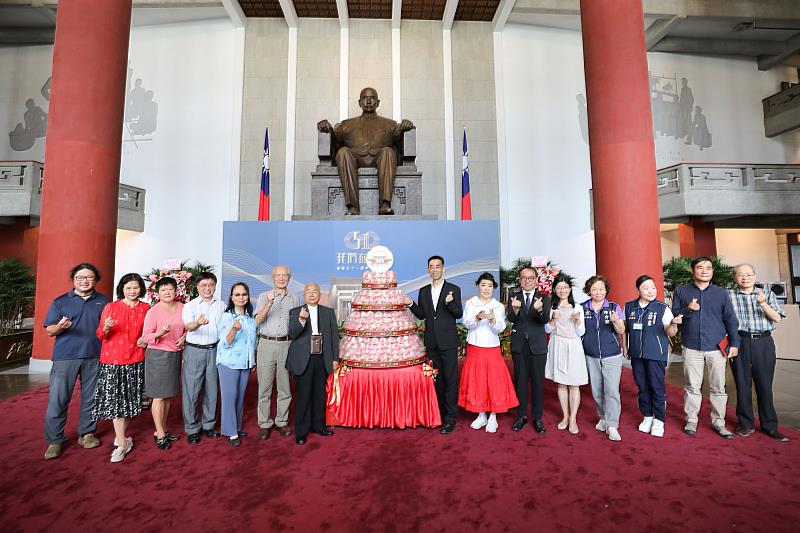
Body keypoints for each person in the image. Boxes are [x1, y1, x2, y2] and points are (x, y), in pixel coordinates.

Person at [42, 263, 111, 460]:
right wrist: (61, 326)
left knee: (91, 397)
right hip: (66, 357)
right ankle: (55, 441)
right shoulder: (61, 302)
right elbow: (50, 331)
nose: (85, 281)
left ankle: (87, 434)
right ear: (74, 280)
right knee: (58, 399)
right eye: (80, 277)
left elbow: (109, 330)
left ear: (95, 280)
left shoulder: (105, 302)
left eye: (89, 277)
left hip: (96, 355)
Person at [317, 87, 414, 215]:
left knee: (388, 151)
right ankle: (352, 207)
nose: (368, 101)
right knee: (343, 152)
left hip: (381, 159)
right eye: (365, 98)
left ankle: (385, 204)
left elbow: (400, 134)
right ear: (359, 103)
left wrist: (406, 125)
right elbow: (334, 139)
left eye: (372, 98)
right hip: (354, 159)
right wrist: (327, 128)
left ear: (378, 103)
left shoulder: (390, 124)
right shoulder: (347, 124)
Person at [672, 256, 740, 439]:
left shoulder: (721, 293)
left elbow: (730, 320)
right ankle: (691, 420)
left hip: (716, 347)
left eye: (708, 268)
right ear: (693, 270)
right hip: (691, 345)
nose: (704, 271)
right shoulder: (681, 291)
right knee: (692, 386)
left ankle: (719, 422)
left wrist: (735, 344)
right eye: (700, 267)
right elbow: (675, 316)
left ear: (712, 271)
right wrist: (688, 310)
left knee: (718, 387)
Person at [92, 273, 150, 463]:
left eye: (136, 288)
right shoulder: (112, 307)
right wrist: (107, 328)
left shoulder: (146, 308)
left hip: (136, 359)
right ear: (122, 289)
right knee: (117, 402)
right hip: (113, 361)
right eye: (128, 288)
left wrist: (146, 340)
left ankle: (122, 436)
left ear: (141, 288)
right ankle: (122, 444)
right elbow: (100, 334)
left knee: (130, 401)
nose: (133, 291)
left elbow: (149, 333)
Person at [728, 264, 789, 441]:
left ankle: (770, 426)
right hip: (739, 341)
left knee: (764, 385)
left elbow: (777, 317)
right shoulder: (728, 295)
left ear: (755, 276)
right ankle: (745, 424)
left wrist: (763, 304)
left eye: (748, 274)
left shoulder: (768, 294)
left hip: (763, 342)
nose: (745, 278)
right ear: (735, 277)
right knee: (742, 384)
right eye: (740, 275)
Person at [408, 256, 464, 434]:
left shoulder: (453, 289)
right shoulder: (423, 291)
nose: (434, 270)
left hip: (447, 342)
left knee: (450, 379)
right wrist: (410, 304)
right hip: (431, 343)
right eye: (431, 267)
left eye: (437, 267)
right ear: (428, 270)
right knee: (437, 380)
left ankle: (450, 417)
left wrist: (449, 304)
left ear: (443, 268)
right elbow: (423, 315)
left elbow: (458, 314)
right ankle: (438, 414)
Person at [458, 273, 518, 433]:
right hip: (475, 346)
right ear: (478, 286)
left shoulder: (498, 306)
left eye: (490, 285)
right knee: (477, 380)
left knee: (493, 380)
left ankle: (493, 417)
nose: (486, 288)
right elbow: (467, 324)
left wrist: (492, 319)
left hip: (491, 347)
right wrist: (477, 318)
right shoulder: (471, 303)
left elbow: (500, 329)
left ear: (493, 288)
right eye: (483, 285)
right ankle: (481, 414)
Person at [625, 275, 680, 438]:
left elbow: (671, 332)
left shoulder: (662, 308)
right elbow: (626, 329)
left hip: (656, 354)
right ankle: (647, 416)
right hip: (636, 354)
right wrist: (626, 346)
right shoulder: (630, 307)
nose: (651, 291)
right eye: (646, 288)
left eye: (653, 288)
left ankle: (659, 420)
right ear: (639, 290)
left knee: (656, 387)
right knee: (642, 386)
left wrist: (674, 324)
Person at [286, 283, 340, 445]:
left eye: (314, 292)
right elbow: (293, 334)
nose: (311, 295)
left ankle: (319, 426)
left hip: (322, 357)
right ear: (304, 294)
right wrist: (302, 319)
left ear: (319, 294)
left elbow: (334, 337)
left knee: (319, 394)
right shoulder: (296, 312)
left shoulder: (328, 312)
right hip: (304, 358)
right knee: (303, 396)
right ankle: (301, 431)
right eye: (308, 292)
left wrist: (335, 358)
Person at [254, 265, 299, 440]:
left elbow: (296, 324)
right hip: (266, 343)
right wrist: (269, 303)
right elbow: (257, 320)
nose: (281, 278)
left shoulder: (294, 299)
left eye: (285, 275)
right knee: (264, 387)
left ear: (289, 277)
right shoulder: (264, 296)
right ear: (273, 278)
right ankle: (264, 423)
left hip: (286, 344)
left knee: (284, 387)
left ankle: (282, 421)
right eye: (278, 275)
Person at [142, 277, 186, 450]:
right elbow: (146, 336)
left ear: (176, 291)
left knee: (168, 395)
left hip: (175, 355)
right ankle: (159, 433)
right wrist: (160, 332)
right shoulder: (153, 311)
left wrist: (184, 337)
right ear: (157, 293)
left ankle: (163, 429)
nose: (167, 293)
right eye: (163, 290)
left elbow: (188, 328)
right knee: (158, 396)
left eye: (170, 289)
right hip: (158, 355)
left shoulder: (182, 307)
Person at [181, 272, 225, 445]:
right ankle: (192, 427)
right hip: (195, 350)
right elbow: (188, 326)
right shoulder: (190, 306)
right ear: (197, 287)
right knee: (191, 390)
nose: (207, 288)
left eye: (211, 285)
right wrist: (198, 322)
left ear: (215, 286)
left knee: (212, 390)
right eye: (203, 285)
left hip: (215, 350)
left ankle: (208, 425)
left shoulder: (221, 305)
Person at [580, 275, 625, 441]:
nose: (598, 292)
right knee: (597, 390)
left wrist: (616, 321)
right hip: (590, 355)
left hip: (612, 355)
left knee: (612, 390)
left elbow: (620, 330)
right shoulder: (582, 308)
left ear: (606, 290)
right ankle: (604, 418)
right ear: (589, 291)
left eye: (601, 288)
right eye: (594, 289)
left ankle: (612, 425)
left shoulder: (614, 307)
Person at [507, 266, 552, 434]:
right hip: (519, 345)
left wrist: (540, 309)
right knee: (520, 381)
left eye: (531, 278)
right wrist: (516, 309)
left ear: (536, 280)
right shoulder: (514, 296)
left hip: (538, 345)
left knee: (538, 383)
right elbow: (511, 318)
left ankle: (537, 418)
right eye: (524, 278)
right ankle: (521, 416)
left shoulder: (544, 298)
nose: (527, 280)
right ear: (520, 280)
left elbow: (545, 319)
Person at [216, 282, 258, 447]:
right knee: (229, 397)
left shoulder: (249, 319)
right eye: (237, 294)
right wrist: (233, 330)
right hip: (228, 363)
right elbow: (225, 342)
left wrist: (251, 361)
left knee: (240, 397)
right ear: (232, 297)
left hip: (245, 363)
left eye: (244, 294)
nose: (241, 297)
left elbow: (252, 343)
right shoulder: (227, 317)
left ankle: (237, 426)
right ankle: (230, 431)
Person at [545, 277, 588, 434]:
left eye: (565, 287)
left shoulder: (577, 307)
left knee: (574, 384)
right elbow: (547, 330)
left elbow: (581, 332)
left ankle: (573, 419)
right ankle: (565, 416)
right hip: (557, 344)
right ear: (555, 290)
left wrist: (577, 321)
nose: (562, 290)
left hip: (573, 346)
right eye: (559, 287)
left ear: (570, 289)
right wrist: (552, 320)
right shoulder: (551, 306)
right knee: (562, 383)